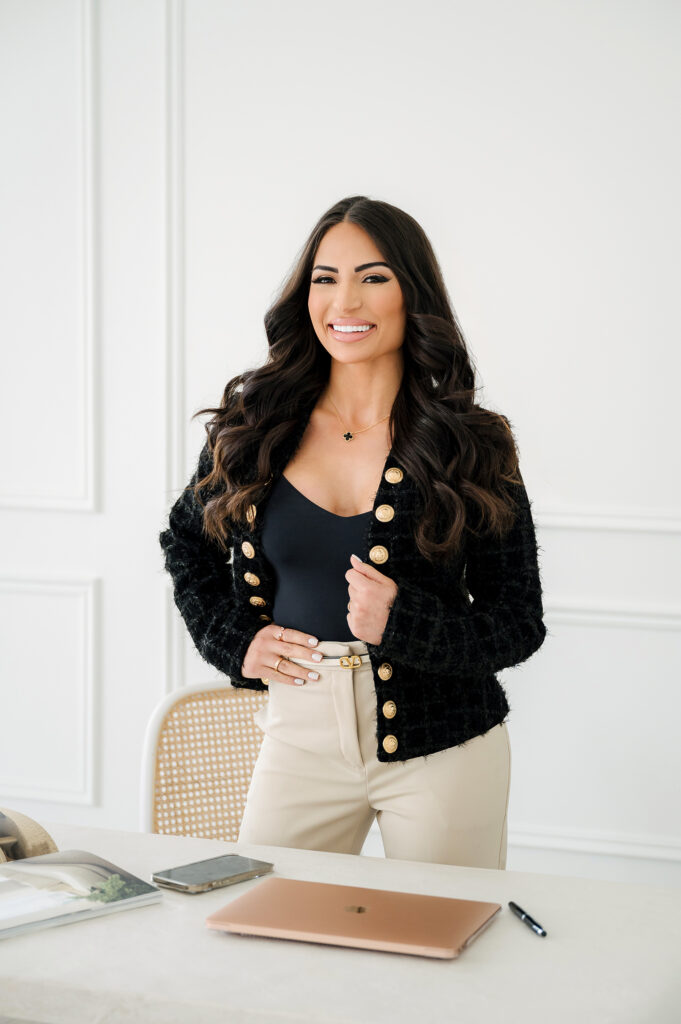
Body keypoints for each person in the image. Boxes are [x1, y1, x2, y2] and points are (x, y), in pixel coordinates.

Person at [158, 195, 547, 869]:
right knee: (264, 923)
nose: (346, 301)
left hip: (444, 748)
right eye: (325, 278)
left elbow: (517, 621)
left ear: (411, 292)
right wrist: (232, 641)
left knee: (440, 947)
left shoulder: (471, 443)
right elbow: (185, 541)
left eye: (373, 277)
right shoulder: (255, 427)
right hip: (298, 734)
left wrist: (404, 622)